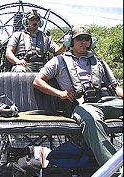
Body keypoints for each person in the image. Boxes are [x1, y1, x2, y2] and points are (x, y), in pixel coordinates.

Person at [33, 25, 123, 167]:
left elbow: (115, 87)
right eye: (79, 39)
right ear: (70, 42)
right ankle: (114, 169)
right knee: (92, 119)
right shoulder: (59, 61)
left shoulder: (98, 62)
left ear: (91, 42)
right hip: (81, 105)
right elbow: (37, 81)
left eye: (86, 39)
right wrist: (59, 93)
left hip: (105, 101)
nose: (83, 42)